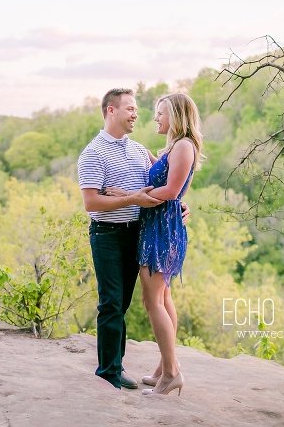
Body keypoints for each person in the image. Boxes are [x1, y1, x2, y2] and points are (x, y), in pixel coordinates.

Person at [77, 88, 189, 390]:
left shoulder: (139, 150)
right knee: (111, 303)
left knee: (124, 303)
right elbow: (91, 202)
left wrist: (178, 206)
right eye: (130, 109)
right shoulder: (93, 153)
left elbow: (164, 184)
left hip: (138, 234)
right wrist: (131, 200)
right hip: (108, 235)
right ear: (111, 111)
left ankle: (123, 364)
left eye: (136, 109)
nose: (136, 115)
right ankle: (109, 372)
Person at [107, 93, 204, 396]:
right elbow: (166, 179)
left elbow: (172, 191)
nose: (156, 119)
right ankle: (165, 368)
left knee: (153, 302)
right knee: (163, 298)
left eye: (161, 113)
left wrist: (128, 196)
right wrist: (149, 158)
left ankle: (171, 373)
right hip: (159, 226)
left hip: (162, 231)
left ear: (176, 115)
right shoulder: (175, 148)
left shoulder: (184, 145)